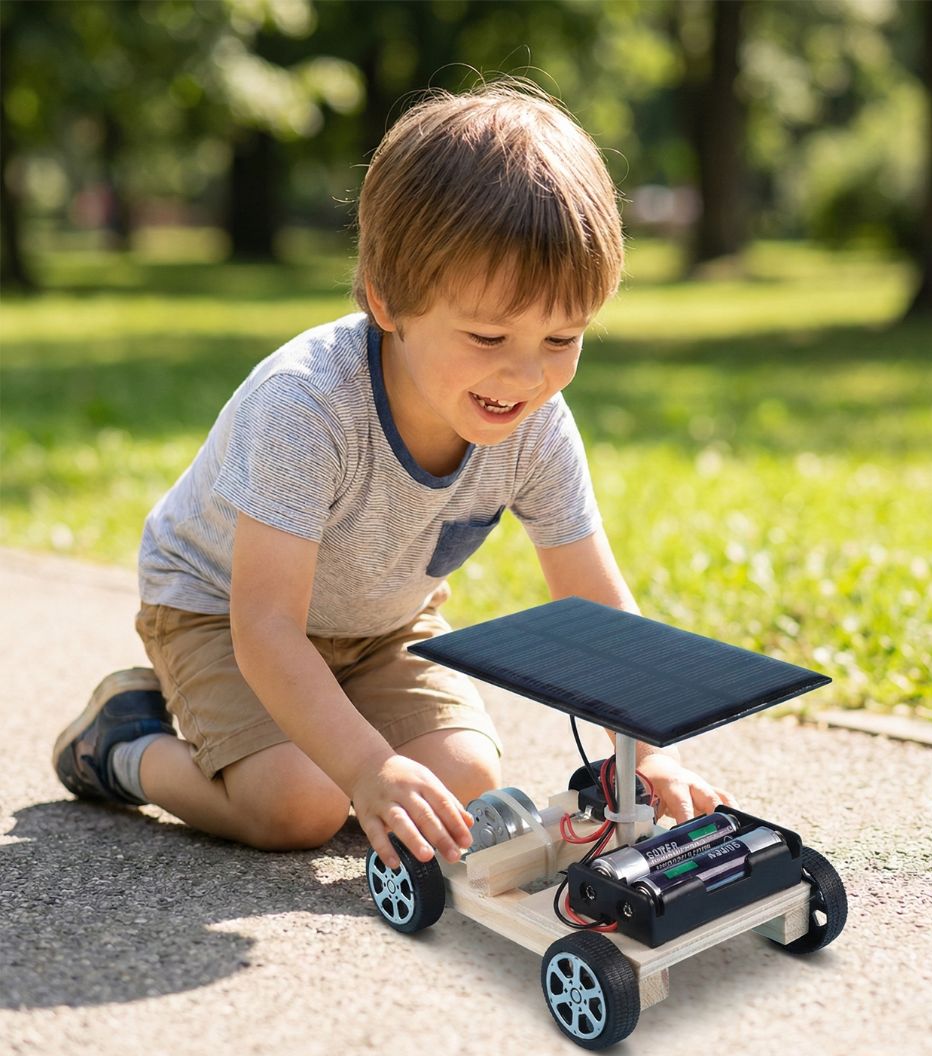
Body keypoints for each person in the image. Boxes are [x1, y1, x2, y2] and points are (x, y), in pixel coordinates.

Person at [53, 81, 732, 871]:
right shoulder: (306, 405)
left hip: (381, 626)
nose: (524, 374)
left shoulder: (536, 422)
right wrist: (368, 768)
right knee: (298, 806)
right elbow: (265, 628)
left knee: (467, 780)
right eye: (486, 334)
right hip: (220, 613)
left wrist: (651, 755)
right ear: (387, 298)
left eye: (563, 337)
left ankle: (320, 732)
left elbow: (599, 606)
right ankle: (128, 740)